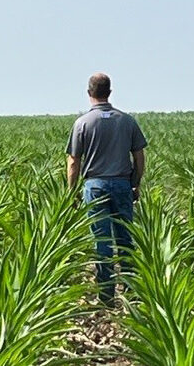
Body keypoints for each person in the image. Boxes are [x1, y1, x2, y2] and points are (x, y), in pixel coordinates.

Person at [66, 73, 147, 307]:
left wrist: (72, 193)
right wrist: (135, 182)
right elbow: (139, 156)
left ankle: (106, 296)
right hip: (122, 183)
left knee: (101, 239)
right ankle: (131, 292)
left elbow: (73, 162)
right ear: (109, 93)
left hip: (95, 185)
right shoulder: (127, 121)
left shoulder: (82, 123)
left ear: (89, 93)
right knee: (124, 238)